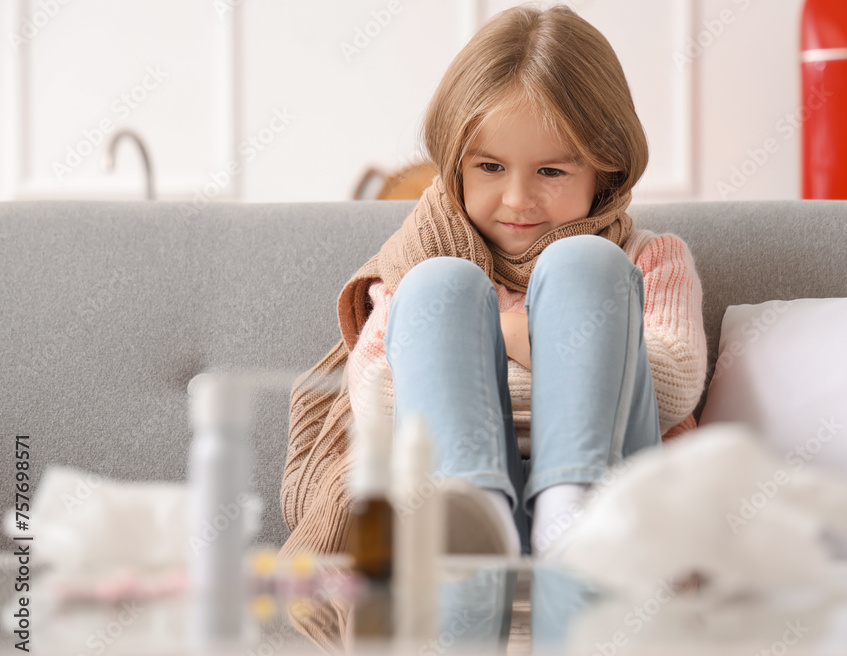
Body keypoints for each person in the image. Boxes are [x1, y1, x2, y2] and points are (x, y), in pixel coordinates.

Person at [280, 4, 707, 566]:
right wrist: (555, 344)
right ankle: (473, 516)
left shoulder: (648, 259)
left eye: (551, 171)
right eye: (490, 168)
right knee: (440, 287)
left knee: (588, 265)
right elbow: (380, 397)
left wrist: (488, 342)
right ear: (455, 166)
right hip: (451, 496)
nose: (517, 200)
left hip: (613, 491)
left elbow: (673, 384)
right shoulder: (418, 262)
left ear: (605, 171)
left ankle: (570, 511)